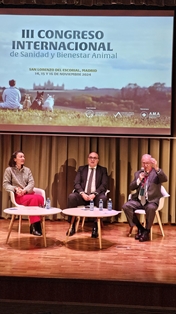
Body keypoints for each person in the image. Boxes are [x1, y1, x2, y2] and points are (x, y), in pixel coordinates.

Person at [122, 154, 168, 242]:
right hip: (139, 200)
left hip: (151, 201)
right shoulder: (138, 173)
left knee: (150, 208)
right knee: (126, 206)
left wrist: (157, 168)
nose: (145, 165)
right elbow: (131, 187)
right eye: (143, 163)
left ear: (151, 163)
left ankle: (146, 231)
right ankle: (140, 228)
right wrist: (139, 179)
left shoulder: (156, 173)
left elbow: (164, 179)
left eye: (147, 163)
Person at [67, 151, 108, 238]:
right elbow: (76, 183)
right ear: (88, 159)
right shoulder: (82, 169)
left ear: (98, 160)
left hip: (95, 196)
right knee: (72, 197)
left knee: (103, 199)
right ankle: (72, 225)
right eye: (90, 157)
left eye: (95, 158)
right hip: (83, 195)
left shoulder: (102, 170)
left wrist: (94, 194)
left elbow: (103, 185)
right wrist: (82, 193)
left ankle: (96, 226)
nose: (92, 159)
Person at [3, 150, 44, 236]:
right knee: (35, 199)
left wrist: (24, 190)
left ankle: (34, 225)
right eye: (20, 157)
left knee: (40, 198)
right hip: (18, 196)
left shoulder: (27, 170)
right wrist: (15, 189)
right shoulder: (9, 170)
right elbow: (5, 184)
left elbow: (32, 183)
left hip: (27, 193)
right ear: (15, 159)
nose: (23, 158)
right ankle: (36, 226)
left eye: (23, 157)